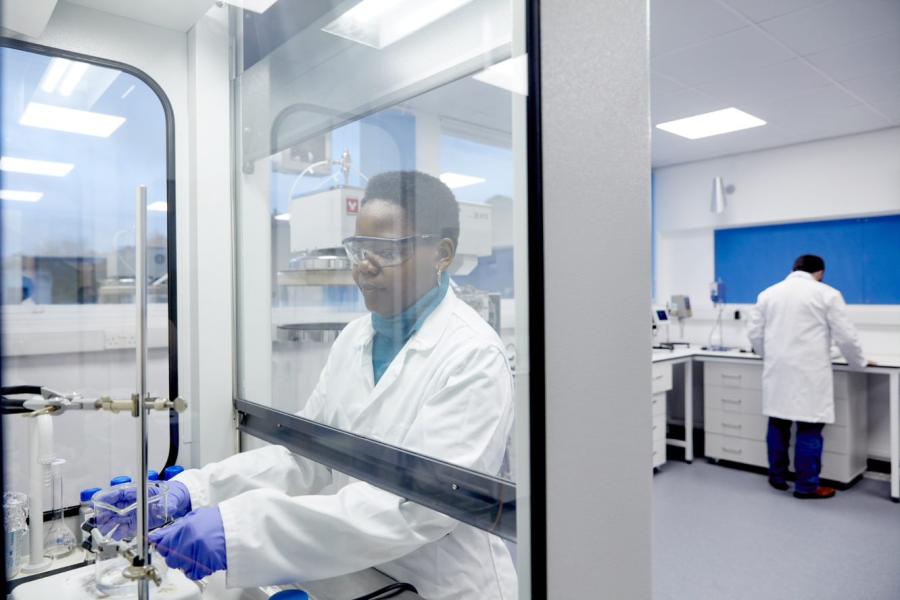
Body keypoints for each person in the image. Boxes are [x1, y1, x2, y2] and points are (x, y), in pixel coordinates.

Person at [96, 171, 517, 599]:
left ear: (441, 254)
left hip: (442, 584)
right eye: (359, 249)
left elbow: (417, 511)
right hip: (360, 574)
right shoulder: (355, 338)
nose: (363, 267)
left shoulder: (473, 355)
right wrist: (193, 490)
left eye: (386, 251)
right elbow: (307, 458)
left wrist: (239, 531)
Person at [747, 254, 868, 500]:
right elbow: (846, 336)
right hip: (809, 372)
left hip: (778, 370)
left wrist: (768, 356)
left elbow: (755, 336)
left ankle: (777, 477)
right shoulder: (826, 294)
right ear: (820, 272)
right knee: (809, 428)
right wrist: (859, 364)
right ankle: (806, 486)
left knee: (778, 424)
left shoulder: (767, 294)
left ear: (794, 269)